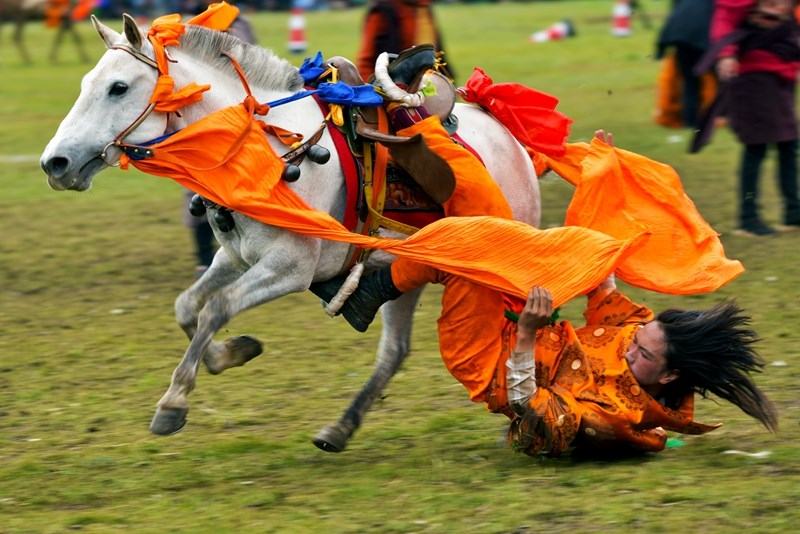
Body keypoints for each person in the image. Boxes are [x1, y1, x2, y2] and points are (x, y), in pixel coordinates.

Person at [311, 116, 778, 457]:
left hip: (489, 357)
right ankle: (414, 120)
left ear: (669, 376)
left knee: (473, 244)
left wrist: (531, 332)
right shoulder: (639, 331)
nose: (631, 343)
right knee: (486, 212)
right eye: (639, 337)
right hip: (524, 312)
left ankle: (367, 292)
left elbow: (531, 410)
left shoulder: (614, 415)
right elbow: (600, 280)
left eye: (642, 352)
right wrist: (600, 183)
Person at [709, 0, 800, 235]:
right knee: (756, 146)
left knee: (788, 144)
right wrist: (727, 54)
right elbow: (724, 20)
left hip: (782, 76)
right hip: (754, 77)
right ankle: (748, 218)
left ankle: (793, 213)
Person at [654, 0, 716, 129]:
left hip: (679, 35)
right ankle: (721, 115)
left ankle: (690, 121)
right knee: (717, 77)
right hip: (702, 35)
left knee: (690, 80)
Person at [355, 0, 451, 82]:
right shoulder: (382, 10)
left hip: (428, 87)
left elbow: (436, 54)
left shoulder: (423, 7)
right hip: (391, 91)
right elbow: (366, 61)